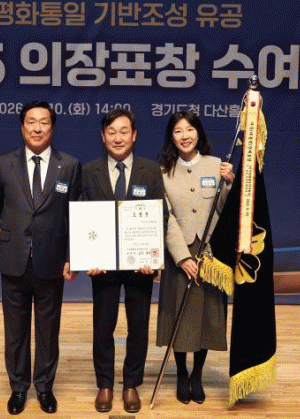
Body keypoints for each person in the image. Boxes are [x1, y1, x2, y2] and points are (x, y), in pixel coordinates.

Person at [0, 101, 81, 415]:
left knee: (48, 332)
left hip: (52, 262)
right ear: (22, 127)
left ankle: (45, 388)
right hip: (13, 260)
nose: (37, 128)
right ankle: (19, 388)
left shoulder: (69, 165)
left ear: (52, 127)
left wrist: (73, 257)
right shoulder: (4, 163)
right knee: (16, 333)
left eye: (44, 122)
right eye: (31, 122)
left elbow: (76, 216)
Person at [81, 108, 167, 414]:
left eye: (124, 131)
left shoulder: (150, 170)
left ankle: (131, 384)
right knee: (102, 327)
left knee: (138, 327)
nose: (118, 138)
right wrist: (88, 255)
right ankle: (104, 384)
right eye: (112, 132)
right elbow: (81, 214)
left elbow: (160, 216)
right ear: (103, 137)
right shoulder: (89, 171)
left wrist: (153, 256)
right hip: (102, 264)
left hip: (139, 264)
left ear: (134, 135)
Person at [155, 111, 234, 404]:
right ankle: (181, 373)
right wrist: (181, 257)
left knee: (206, 318)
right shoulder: (163, 171)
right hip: (180, 254)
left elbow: (227, 209)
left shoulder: (217, 165)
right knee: (180, 315)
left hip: (210, 256)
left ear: (198, 133)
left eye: (189, 129)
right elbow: (166, 217)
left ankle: (197, 374)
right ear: (171, 137)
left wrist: (229, 183)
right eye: (178, 131)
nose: (185, 136)